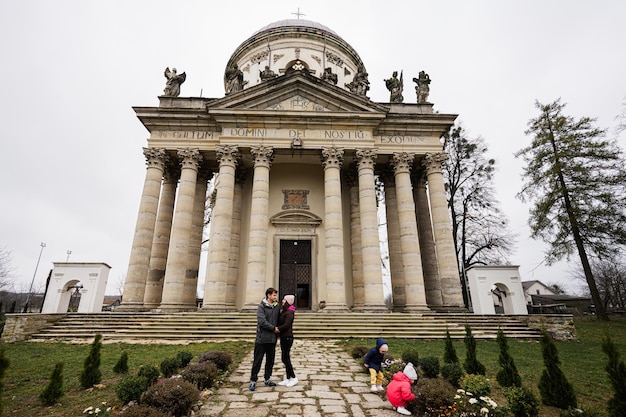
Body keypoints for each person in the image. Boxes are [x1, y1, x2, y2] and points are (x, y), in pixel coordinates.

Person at [249, 287, 281, 391]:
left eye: (276, 295)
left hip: (272, 339)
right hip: (262, 339)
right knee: (257, 360)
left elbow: (279, 319)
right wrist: (273, 328)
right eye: (274, 295)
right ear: (268, 295)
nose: (275, 297)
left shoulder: (276, 306)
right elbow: (261, 322)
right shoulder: (261, 306)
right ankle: (253, 380)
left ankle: (267, 378)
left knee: (270, 361)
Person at [277, 294, 298, 387]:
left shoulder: (289, 313)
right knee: (284, 358)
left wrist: (277, 329)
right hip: (283, 337)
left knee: (286, 358)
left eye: (284, 301)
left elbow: (286, 325)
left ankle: (293, 377)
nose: (282, 301)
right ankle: (288, 377)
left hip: (287, 337)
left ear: (288, 302)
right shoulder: (284, 312)